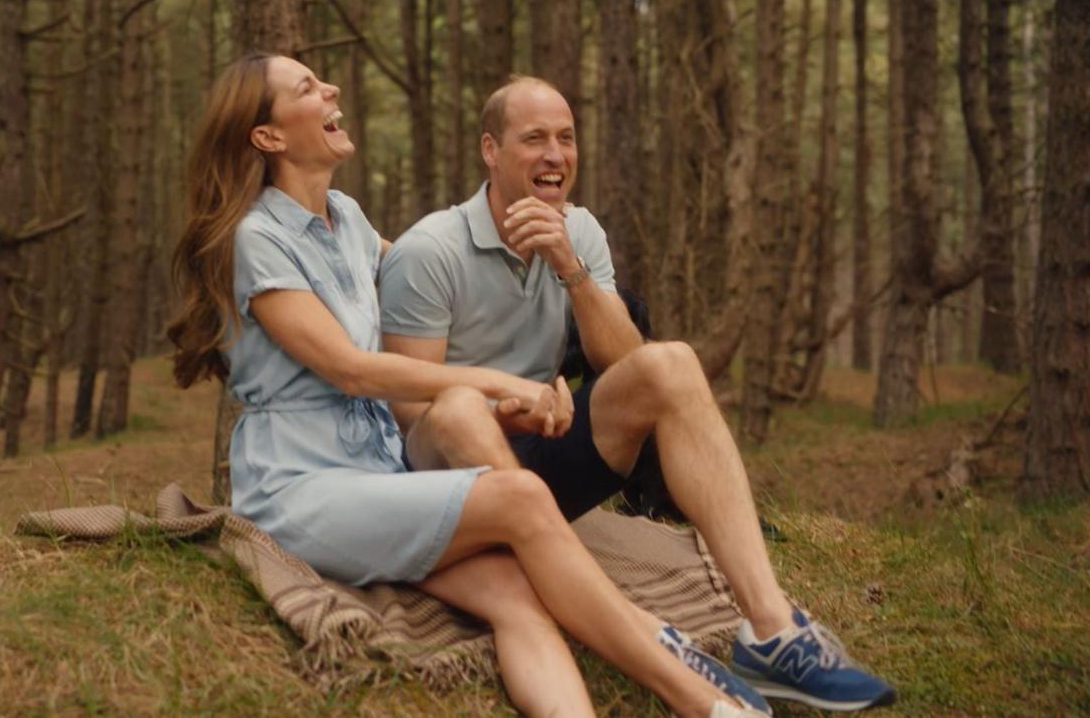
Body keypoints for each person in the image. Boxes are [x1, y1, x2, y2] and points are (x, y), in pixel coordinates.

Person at [168, 53, 774, 718]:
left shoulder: (345, 217)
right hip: (300, 487)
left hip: (381, 476)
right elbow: (351, 368)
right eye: (308, 88)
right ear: (268, 136)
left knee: (517, 594)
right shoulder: (258, 238)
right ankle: (699, 694)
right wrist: (493, 378)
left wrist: (532, 379)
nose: (331, 87)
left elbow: (426, 276)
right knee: (516, 496)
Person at [377, 74, 897, 712]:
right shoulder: (430, 251)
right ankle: (622, 622)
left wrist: (570, 267)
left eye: (566, 139)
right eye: (534, 138)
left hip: (542, 456)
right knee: (456, 411)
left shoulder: (581, 232)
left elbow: (629, 367)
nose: (555, 155)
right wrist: (502, 406)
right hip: (450, 481)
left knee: (672, 364)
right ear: (491, 150)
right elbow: (408, 411)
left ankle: (770, 630)